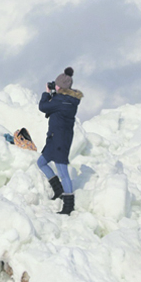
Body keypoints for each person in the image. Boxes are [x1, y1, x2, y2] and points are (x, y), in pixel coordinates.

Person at [37, 67, 83, 215]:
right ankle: (59, 190)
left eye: (56, 85)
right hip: (55, 139)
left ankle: (68, 205)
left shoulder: (60, 100)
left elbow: (43, 107)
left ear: (60, 87)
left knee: (63, 172)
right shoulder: (68, 99)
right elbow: (53, 108)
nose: (54, 86)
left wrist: (46, 93)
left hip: (59, 141)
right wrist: (53, 94)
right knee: (41, 162)